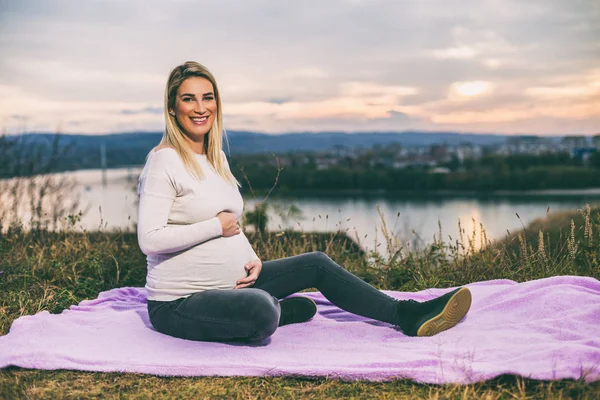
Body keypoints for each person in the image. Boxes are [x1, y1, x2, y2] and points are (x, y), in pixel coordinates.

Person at [138, 61, 472, 343]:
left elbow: (232, 227)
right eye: (188, 99)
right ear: (172, 108)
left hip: (232, 286)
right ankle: (275, 309)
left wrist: (251, 257)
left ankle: (407, 313)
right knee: (261, 310)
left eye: (207, 98)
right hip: (178, 303)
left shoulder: (216, 158)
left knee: (316, 262)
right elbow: (150, 240)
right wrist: (215, 226)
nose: (200, 107)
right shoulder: (163, 161)